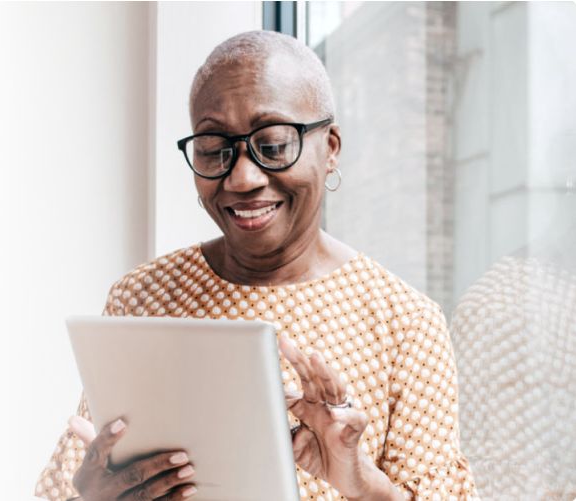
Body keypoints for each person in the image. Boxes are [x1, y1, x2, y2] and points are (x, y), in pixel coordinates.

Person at [35, 30, 480, 501]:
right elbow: (71, 483)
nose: (243, 178)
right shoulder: (142, 298)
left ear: (329, 149)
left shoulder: (405, 325)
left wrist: (364, 485)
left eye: (272, 144)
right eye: (213, 149)